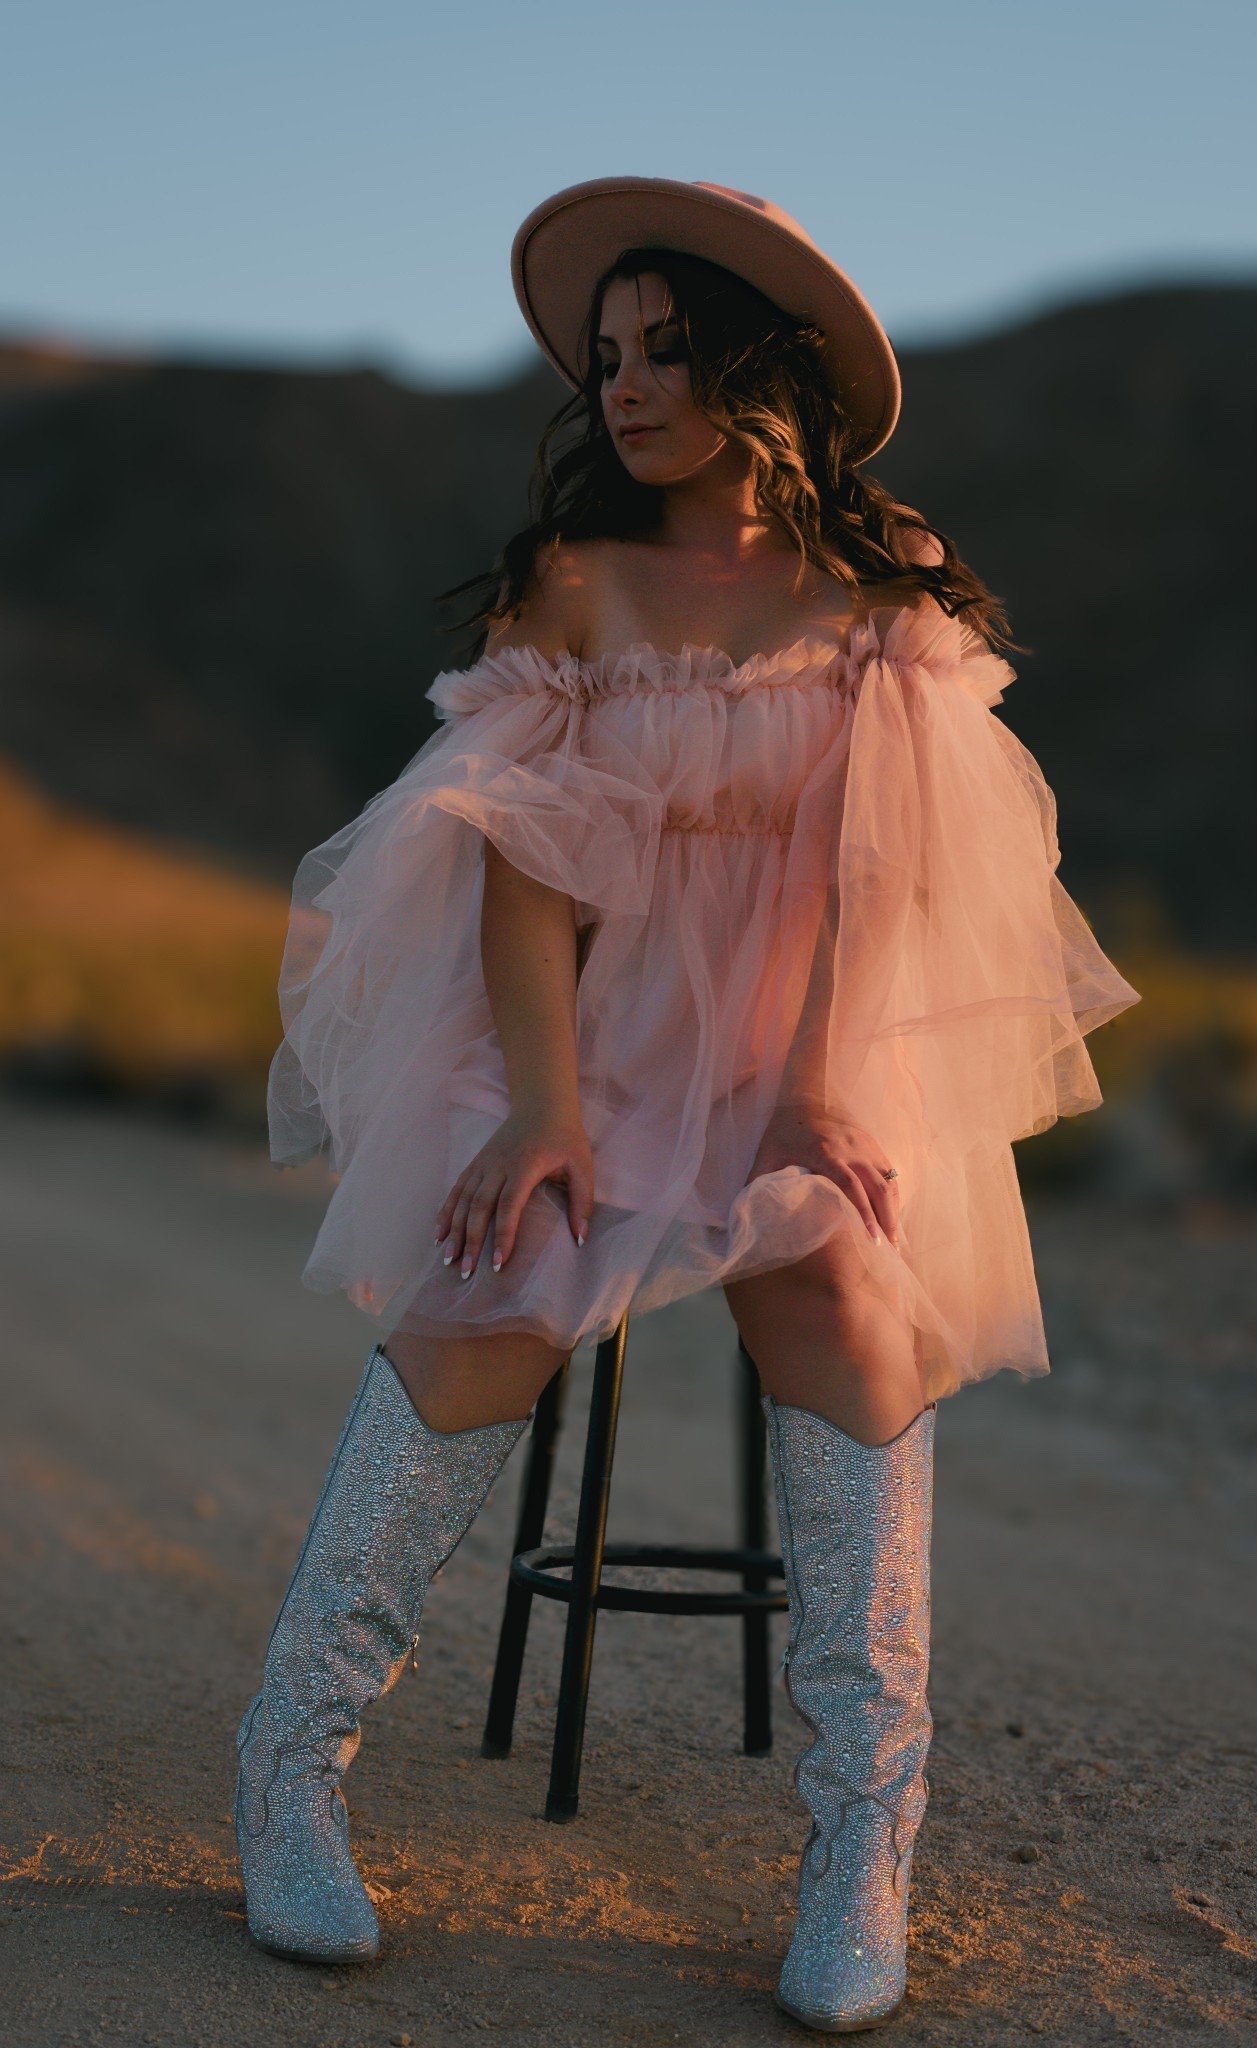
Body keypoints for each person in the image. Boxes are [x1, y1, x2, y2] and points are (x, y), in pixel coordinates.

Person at [234, 177, 1139, 2032]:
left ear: (757, 364)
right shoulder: (579, 582)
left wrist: (813, 1096)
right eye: (610, 357)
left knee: (840, 1286)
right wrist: (542, 1108)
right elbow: (524, 872)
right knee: (492, 1293)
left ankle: (858, 1842)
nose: (627, 385)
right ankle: (288, 1768)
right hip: (584, 1042)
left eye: (666, 348)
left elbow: (882, 874)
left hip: (807, 1050)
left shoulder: (880, 607)